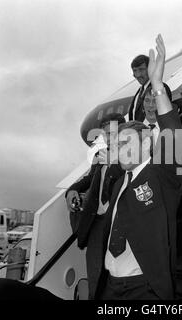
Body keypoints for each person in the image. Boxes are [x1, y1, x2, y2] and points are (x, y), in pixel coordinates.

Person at [94, 34, 182, 300]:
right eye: (118, 143)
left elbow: (173, 133)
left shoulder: (161, 175)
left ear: (147, 143)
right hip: (110, 286)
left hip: (144, 288)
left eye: (127, 142)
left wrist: (157, 84)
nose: (120, 148)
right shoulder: (117, 184)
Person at [65, 112, 126, 299]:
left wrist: (113, 162)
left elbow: (128, 179)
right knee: (95, 276)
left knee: (118, 278)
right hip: (98, 224)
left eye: (114, 132)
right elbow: (90, 179)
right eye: (106, 133)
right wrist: (72, 190)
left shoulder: (132, 155)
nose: (109, 137)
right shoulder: (100, 155)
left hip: (120, 225)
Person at [128, 54, 172, 122]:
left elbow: (166, 115)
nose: (138, 75)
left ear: (150, 69)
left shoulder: (160, 88)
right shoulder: (139, 92)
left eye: (141, 69)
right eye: (135, 71)